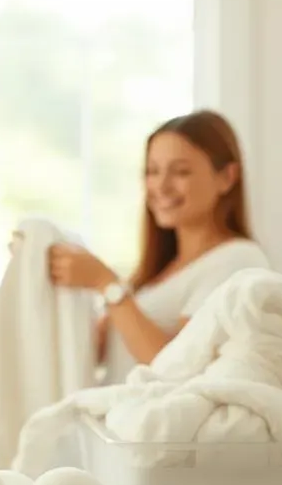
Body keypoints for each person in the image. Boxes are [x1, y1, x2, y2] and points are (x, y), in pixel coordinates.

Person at [47, 109, 269, 380]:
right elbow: (92, 350)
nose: (160, 186)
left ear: (227, 177)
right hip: (116, 419)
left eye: (181, 172)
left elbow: (179, 370)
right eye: (152, 171)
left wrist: (107, 285)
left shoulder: (237, 261)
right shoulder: (156, 275)